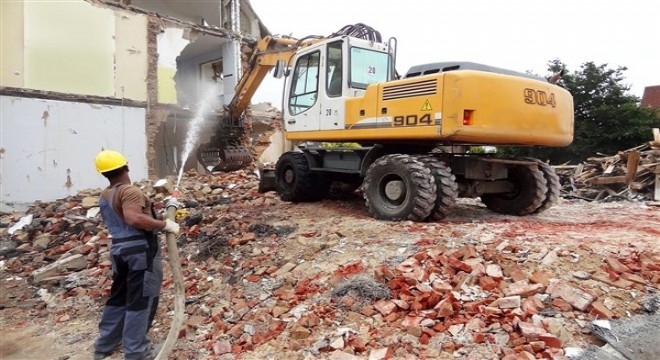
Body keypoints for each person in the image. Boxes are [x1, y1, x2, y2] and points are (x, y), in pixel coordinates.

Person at [92, 150, 180, 360]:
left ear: (105, 174)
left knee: (119, 298)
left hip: (119, 252)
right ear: (126, 167)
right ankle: (136, 352)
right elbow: (133, 218)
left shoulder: (106, 195)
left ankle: (104, 345)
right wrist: (163, 224)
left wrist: (161, 214)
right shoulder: (130, 191)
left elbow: (125, 218)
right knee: (141, 300)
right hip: (140, 252)